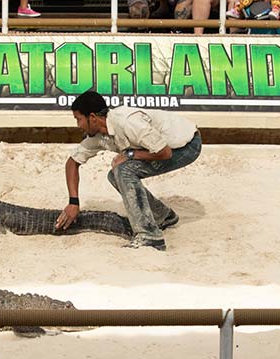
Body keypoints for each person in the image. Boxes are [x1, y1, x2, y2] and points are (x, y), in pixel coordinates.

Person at [56, 90, 202, 252]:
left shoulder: (128, 123)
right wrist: (73, 202)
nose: (78, 125)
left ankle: (150, 236)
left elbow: (164, 152)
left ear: (92, 118)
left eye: (79, 119)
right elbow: (72, 162)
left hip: (186, 146)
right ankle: (163, 216)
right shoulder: (97, 135)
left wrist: (130, 154)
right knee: (115, 175)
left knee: (123, 171)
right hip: (163, 149)